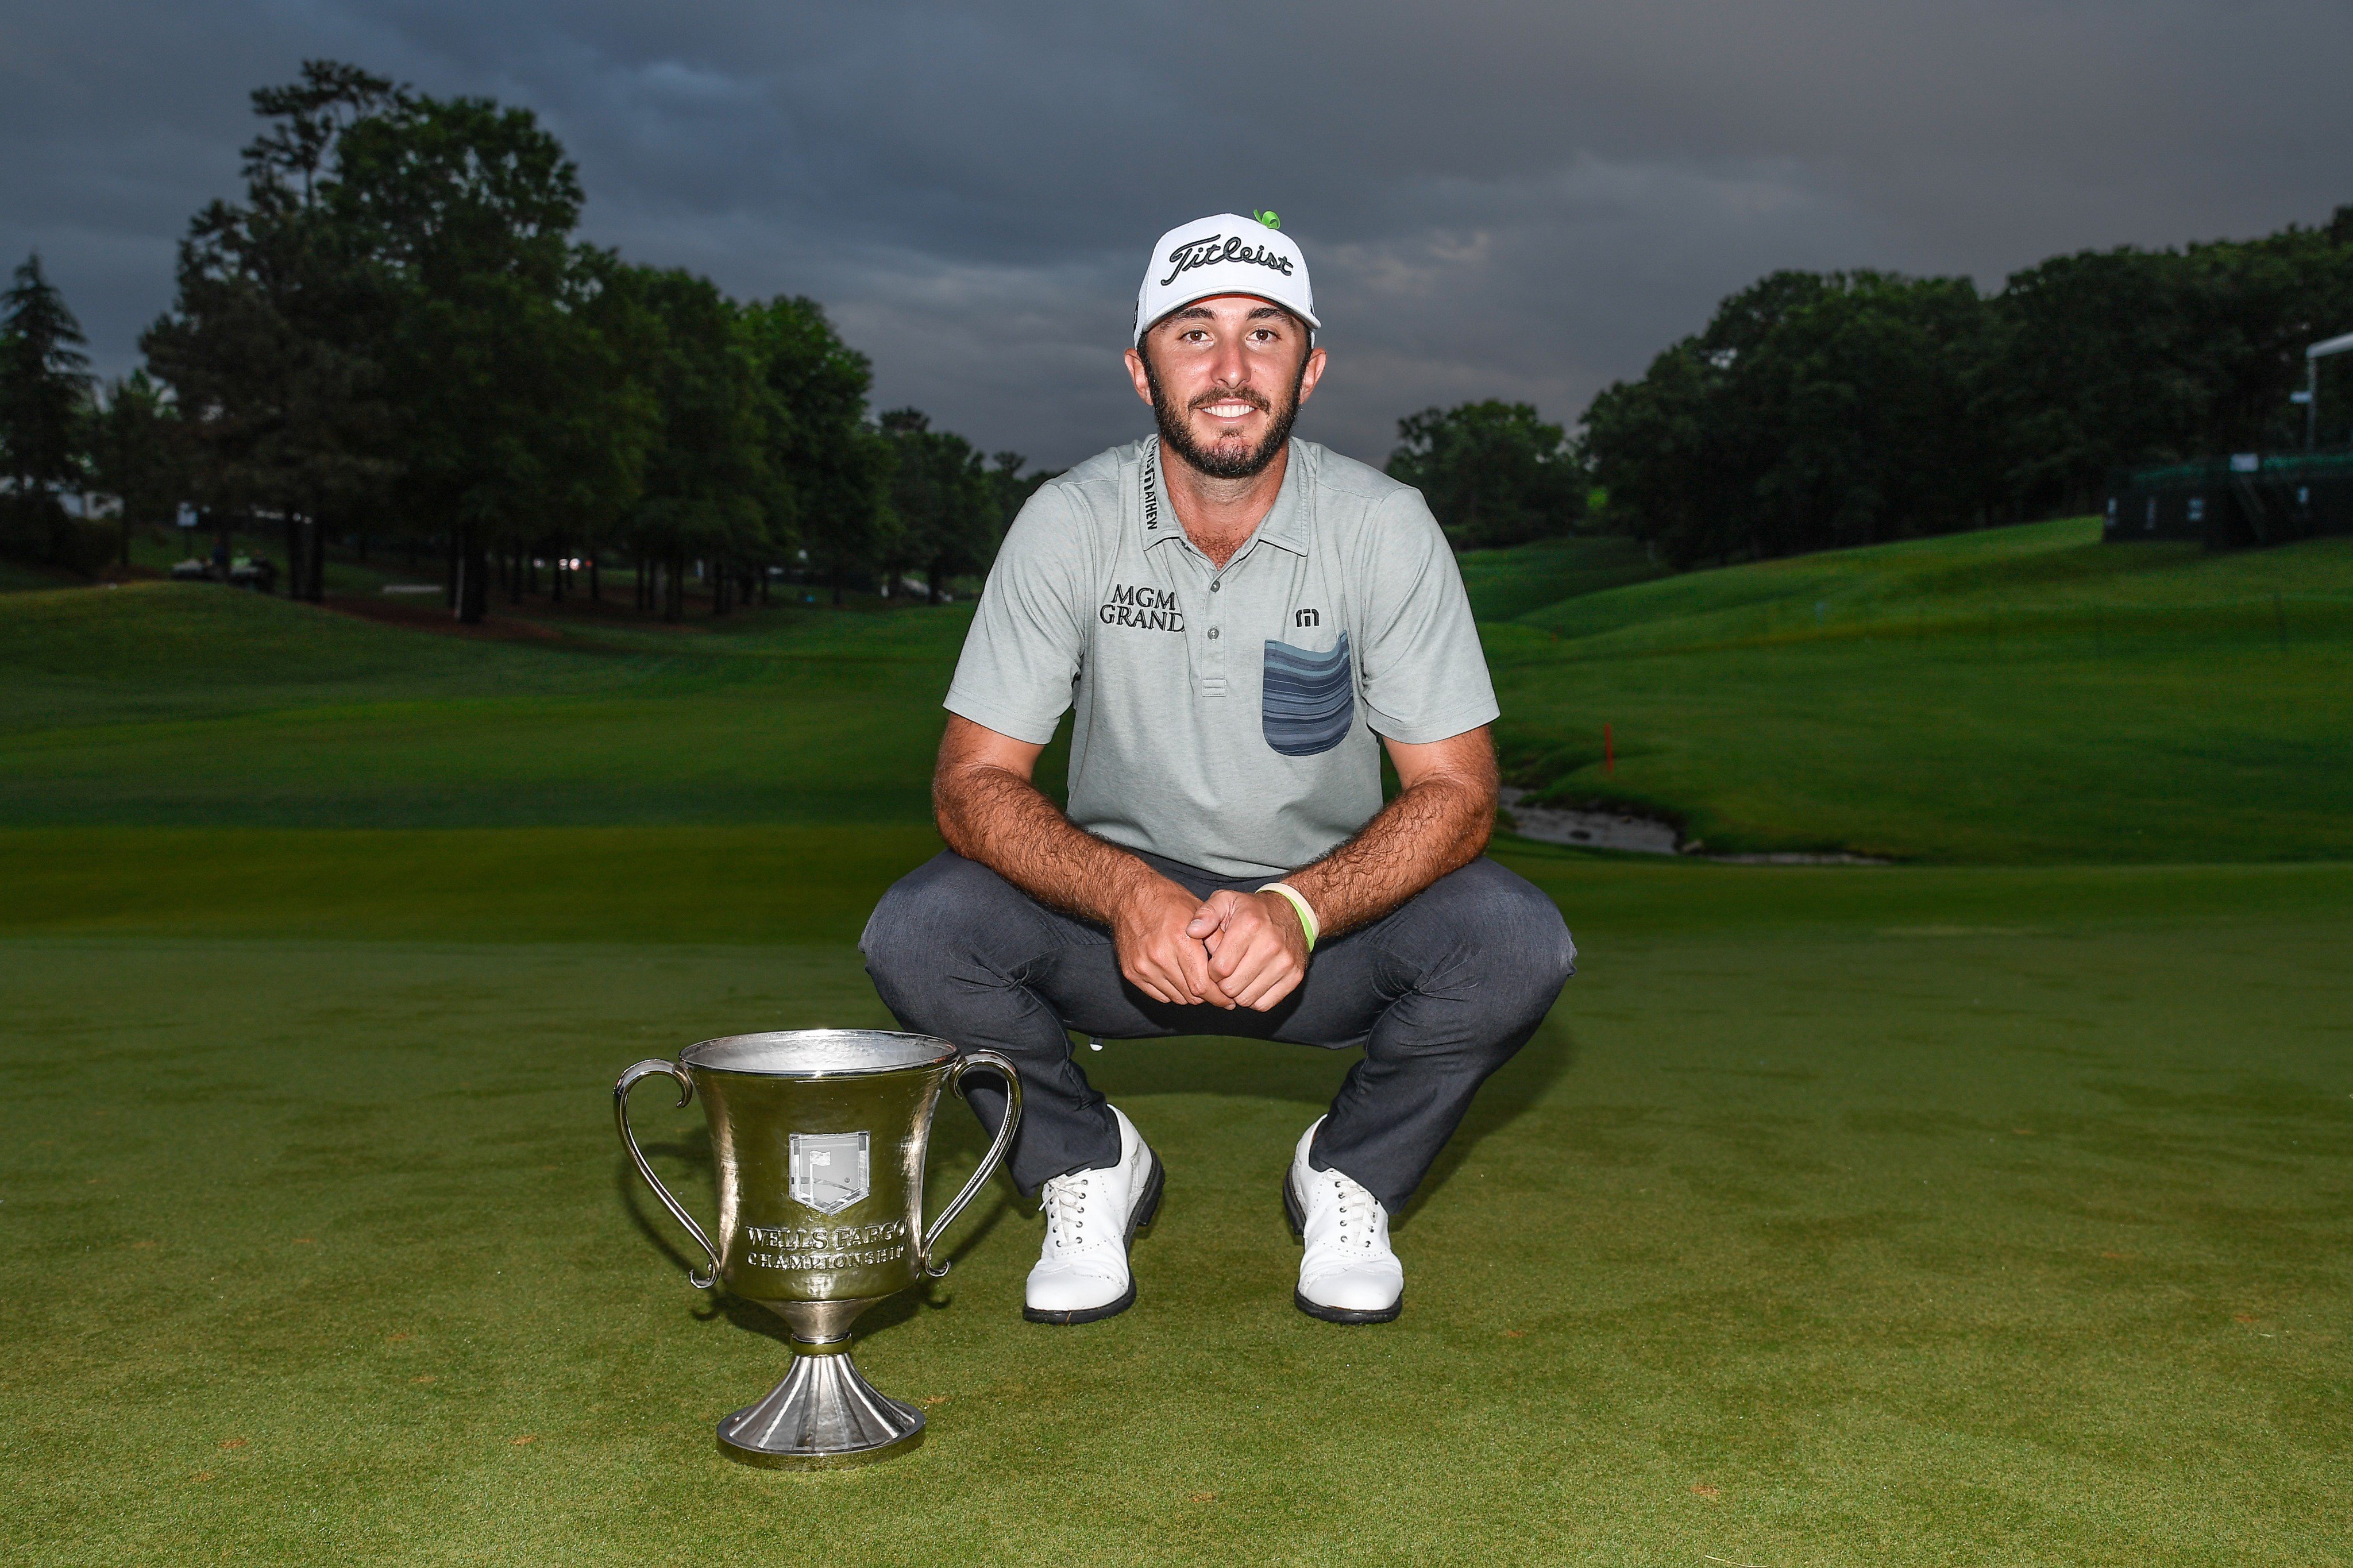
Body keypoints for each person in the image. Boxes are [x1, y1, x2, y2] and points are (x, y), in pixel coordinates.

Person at [861, 211, 1575, 1327]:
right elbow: (971, 781)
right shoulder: (1069, 520)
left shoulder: (1384, 525)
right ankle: (1081, 1164)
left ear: (1310, 366)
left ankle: (1350, 1173)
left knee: (1516, 939)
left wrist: (1297, 909)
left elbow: (1458, 792)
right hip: (1116, 929)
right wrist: (1123, 891)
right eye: (1193, 333)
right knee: (918, 929)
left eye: (1265, 333)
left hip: (1322, 927)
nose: (1231, 369)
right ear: (1141, 369)